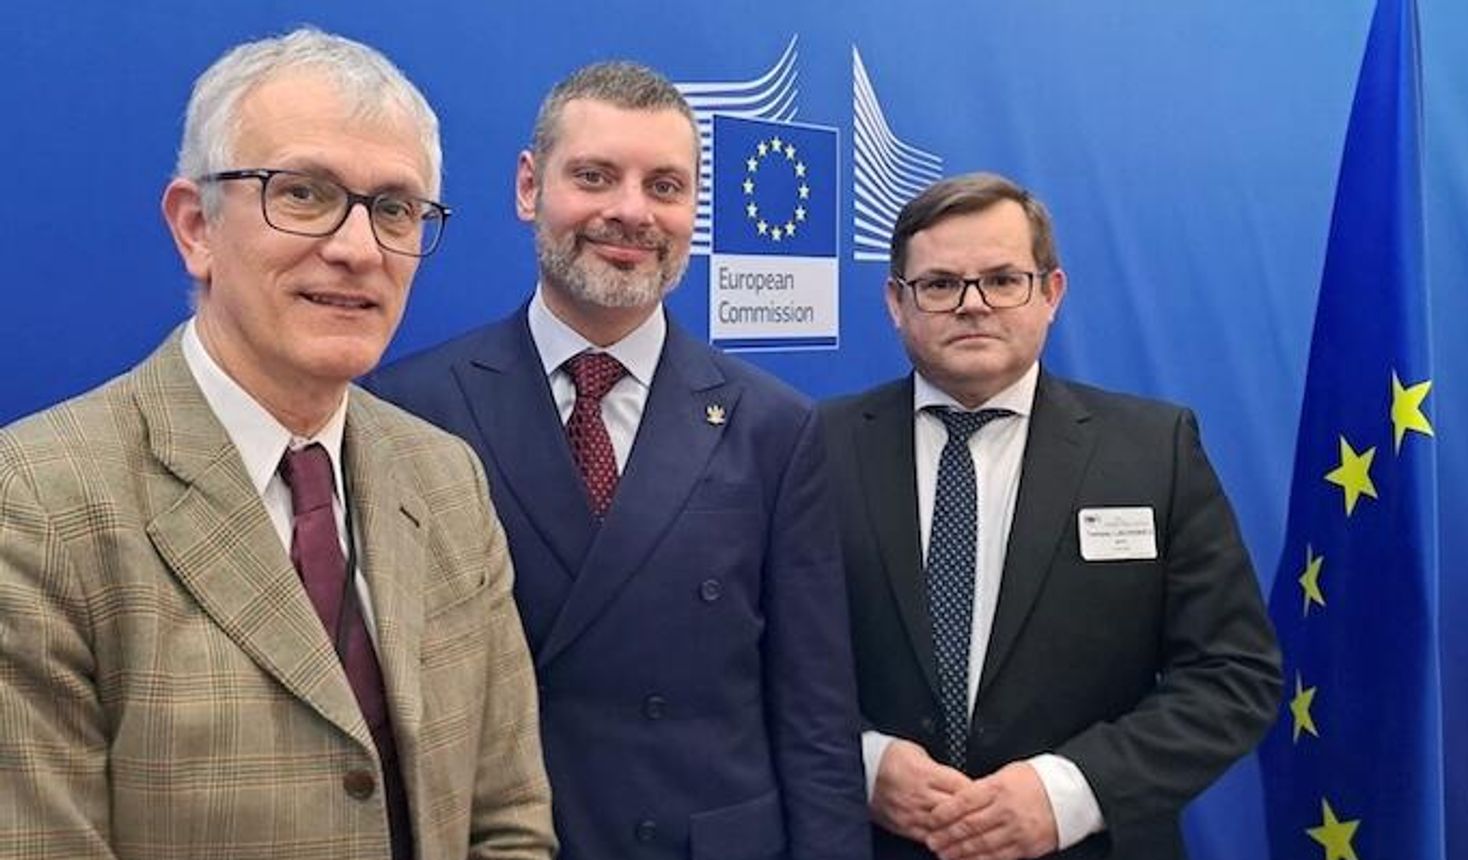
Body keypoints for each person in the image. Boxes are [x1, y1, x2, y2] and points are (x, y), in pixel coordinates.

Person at [0, 28, 555, 860]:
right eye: (302, 193)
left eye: (394, 209)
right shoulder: (38, 503)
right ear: (196, 226)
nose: (357, 249)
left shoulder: (446, 479)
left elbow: (507, 819)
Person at [364, 61, 869, 860]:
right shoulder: (406, 408)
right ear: (529, 187)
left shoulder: (774, 426)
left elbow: (816, 716)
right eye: (595, 177)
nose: (632, 212)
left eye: (665, 186)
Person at [820, 172, 1282, 859]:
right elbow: (761, 658)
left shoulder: (1155, 451)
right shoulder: (816, 448)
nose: (972, 305)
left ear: (1051, 292)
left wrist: (1071, 792)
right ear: (896, 302)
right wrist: (860, 763)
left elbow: (1234, 674)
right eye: (940, 284)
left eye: (1003, 280)